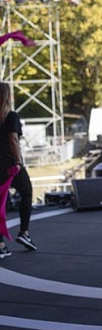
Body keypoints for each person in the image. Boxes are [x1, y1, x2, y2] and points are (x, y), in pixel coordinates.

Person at [0, 83, 37, 258]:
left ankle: (0, 243)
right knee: (27, 192)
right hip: (10, 163)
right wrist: (19, 161)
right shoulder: (11, 116)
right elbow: (13, 139)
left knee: (1, 202)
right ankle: (24, 232)